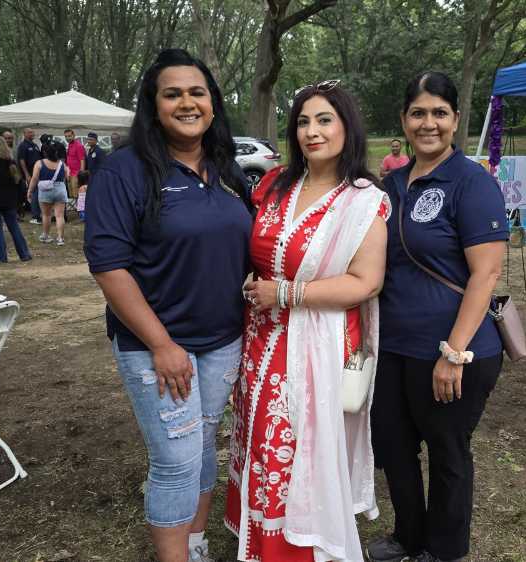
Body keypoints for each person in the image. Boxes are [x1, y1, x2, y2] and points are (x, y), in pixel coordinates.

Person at [84, 48, 252, 562]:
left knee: (203, 444)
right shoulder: (123, 171)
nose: (187, 102)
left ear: (212, 103)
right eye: (172, 93)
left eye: (197, 92)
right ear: (153, 106)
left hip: (222, 341)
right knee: (176, 460)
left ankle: (195, 544)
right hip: (155, 345)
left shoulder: (227, 170)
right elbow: (109, 267)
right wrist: (162, 345)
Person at [225, 81, 387, 562]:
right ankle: (257, 543)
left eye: (324, 120)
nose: (312, 131)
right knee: (257, 439)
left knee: (295, 449)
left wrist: (286, 293)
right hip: (259, 337)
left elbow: (366, 282)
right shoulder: (275, 184)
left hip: (314, 343)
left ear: (346, 127)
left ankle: (297, 549)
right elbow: (260, 252)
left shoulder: (363, 199)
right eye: (302, 122)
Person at [369, 72, 507, 562]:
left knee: (447, 451)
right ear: (404, 120)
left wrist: (454, 352)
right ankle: (409, 535)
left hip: (454, 349)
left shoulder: (471, 182)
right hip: (393, 346)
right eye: (418, 113)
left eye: (439, 113)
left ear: (455, 119)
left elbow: (486, 273)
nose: (428, 123)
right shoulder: (388, 186)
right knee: (393, 445)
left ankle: (444, 550)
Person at [27, 141, 68, 245]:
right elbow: (67, 176)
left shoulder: (39, 163)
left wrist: (30, 191)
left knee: (46, 215)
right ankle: (60, 238)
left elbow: (34, 178)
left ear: (46, 152)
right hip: (60, 189)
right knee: (60, 216)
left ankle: (46, 235)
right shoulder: (62, 164)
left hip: (45, 190)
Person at [18, 128, 42, 224]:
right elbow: (22, 160)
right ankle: (36, 216)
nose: (32, 134)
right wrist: (27, 174)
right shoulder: (22, 146)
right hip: (31, 173)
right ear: (24, 134)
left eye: (33, 132)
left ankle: (38, 214)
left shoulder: (35, 145)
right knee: (34, 193)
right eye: (30, 132)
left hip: (39, 172)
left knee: (38, 192)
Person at [64, 128, 86, 198]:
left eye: (69, 136)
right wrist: (67, 173)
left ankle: (78, 206)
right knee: (71, 194)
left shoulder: (78, 146)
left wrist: (81, 174)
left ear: (74, 135)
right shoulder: (69, 145)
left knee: (76, 194)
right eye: (66, 136)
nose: (67, 138)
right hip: (70, 173)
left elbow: (82, 160)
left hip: (76, 174)